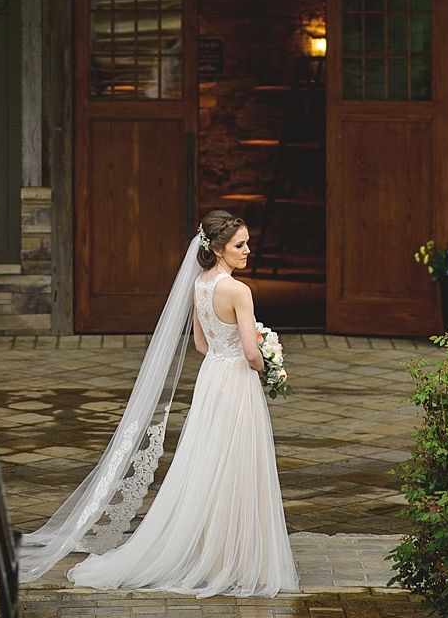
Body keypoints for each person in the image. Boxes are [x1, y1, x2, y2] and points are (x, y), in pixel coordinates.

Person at [17, 210, 299, 597]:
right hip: (235, 381)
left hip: (212, 379)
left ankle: (216, 558)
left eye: (247, 243)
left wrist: (233, 352)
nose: (248, 250)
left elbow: (201, 344)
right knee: (237, 466)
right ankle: (238, 561)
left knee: (210, 466)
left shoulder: (200, 284)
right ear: (218, 249)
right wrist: (268, 363)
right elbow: (251, 352)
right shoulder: (238, 291)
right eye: (240, 245)